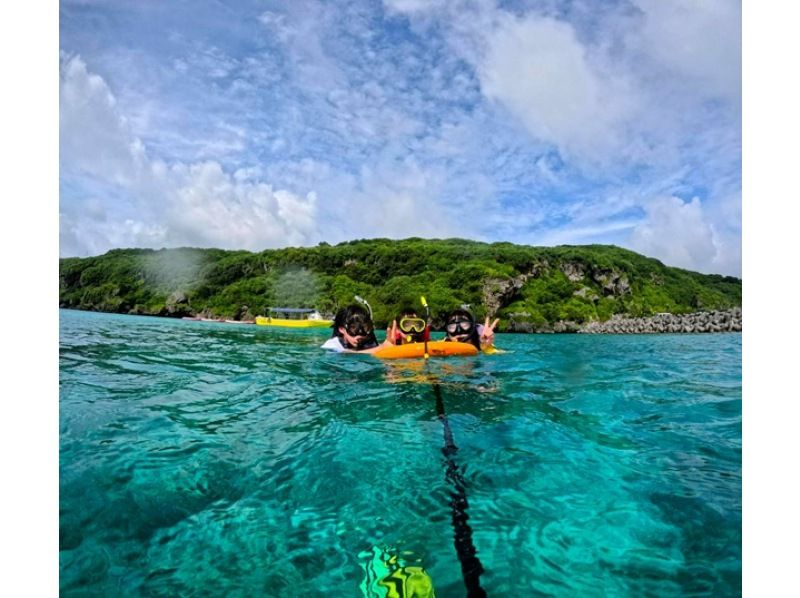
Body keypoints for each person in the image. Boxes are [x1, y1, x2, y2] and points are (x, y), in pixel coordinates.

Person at [321, 303, 393, 354]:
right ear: (342, 329)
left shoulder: (367, 342)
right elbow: (344, 352)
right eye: (353, 329)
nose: (359, 336)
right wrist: (380, 349)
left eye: (364, 329)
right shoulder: (331, 345)